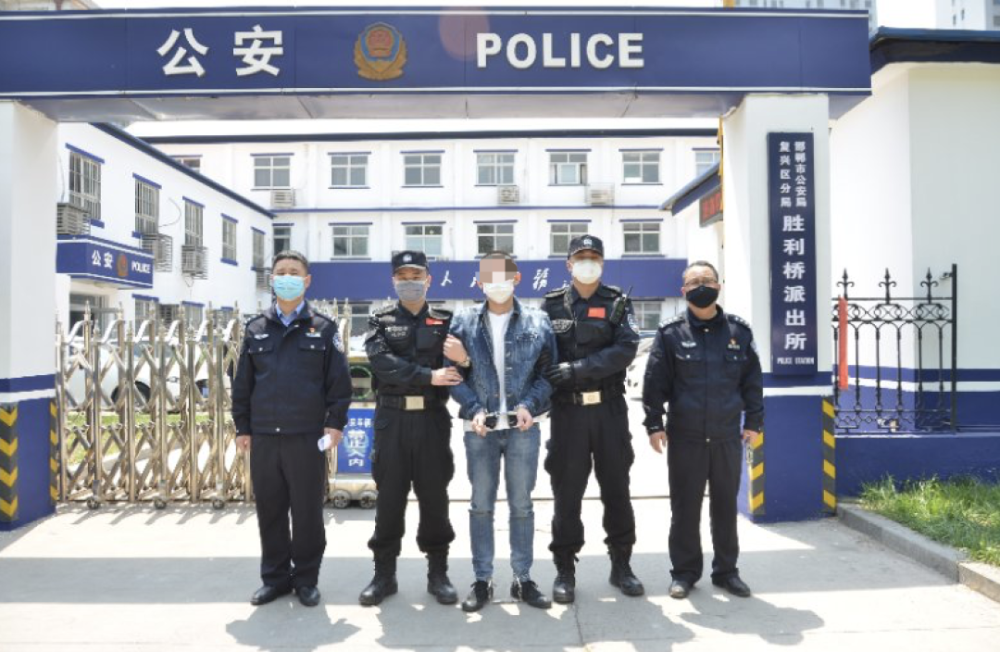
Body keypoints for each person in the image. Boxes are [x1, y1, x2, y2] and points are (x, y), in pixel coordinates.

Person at [232, 250, 352, 608]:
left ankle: (306, 579)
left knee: (307, 513)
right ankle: (275, 579)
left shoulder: (324, 328)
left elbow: (339, 383)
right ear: (272, 279)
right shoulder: (255, 328)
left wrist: (335, 423)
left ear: (307, 280)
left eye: (294, 272)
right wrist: (242, 427)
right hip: (265, 437)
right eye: (281, 272)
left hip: (307, 437)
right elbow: (242, 384)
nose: (287, 277)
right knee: (270, 511)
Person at [641, 260, 764, 599]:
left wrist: (754, 422)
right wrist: (654, 424)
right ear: (684, 291)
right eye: (694, 282)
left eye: (706, 280)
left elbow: (752, 382)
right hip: (686, 438)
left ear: (718, 286)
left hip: (727, 436)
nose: (701, 286)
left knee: (725, 508)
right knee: (685, 509)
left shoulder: (739, 332)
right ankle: (684, 573)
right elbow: (655, 383)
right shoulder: (670, 333)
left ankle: (726, 572)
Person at [445, 251, 557, 613]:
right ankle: (483, 579)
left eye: (502, 274)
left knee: (522, 505)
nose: (496, 282)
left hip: (524, 427)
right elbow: (453, 376)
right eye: (488, 276)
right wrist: (474, 409)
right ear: (479, 281)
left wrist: (529, 405)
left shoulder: (538, 321)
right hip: (480, 430)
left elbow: (548, 374)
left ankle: (523, 578)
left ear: (516, 278)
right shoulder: (463, 322)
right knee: (481, 505)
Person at [541, 234, 644, 604]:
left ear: (602, 263)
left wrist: (579, 368)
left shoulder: (617, 302)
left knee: (617, 489)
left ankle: (622, 565)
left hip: (609, 410)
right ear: (569, 264)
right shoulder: (551, 305)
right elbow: (540, 353)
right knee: (567, 493)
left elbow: (626, 349)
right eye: (581, 257)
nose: (588, 262)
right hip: (567, 413)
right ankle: (565, 570)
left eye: (594, 257)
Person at [358, 250, 462, 607]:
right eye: (402, 277)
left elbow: (459, 367)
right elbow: (382, 363)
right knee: (389, 499)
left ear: (428, 280)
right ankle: (384, 575)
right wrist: (428, 376)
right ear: (393, 281)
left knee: (434, 498)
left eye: (416, 276)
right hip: (393, 420)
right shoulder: (380, 320)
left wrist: (457, 365)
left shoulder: (446, 321)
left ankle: (438, 574)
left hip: (432, 420)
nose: (409, 282)